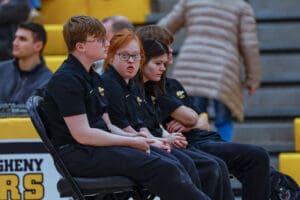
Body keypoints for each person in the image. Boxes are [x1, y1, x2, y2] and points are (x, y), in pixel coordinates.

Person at [41, 15, 209, 200]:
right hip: (78, 154)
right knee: (162, 167)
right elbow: (83, 134)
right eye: (100, 40)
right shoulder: (67, 80)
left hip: (95, 148)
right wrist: (130, 142)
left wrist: (138, 138)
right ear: (81, 47)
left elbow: (109, 126)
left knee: (174, 161)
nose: (107, 44)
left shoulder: (92, 76)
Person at [135, 24, 271, 200]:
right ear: (150, 51)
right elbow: (190, 117)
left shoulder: (172, 83)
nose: (170, 51)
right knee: (235, 161)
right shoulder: (147, 87)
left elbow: (201, 121)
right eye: (166, 46)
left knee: (258, 157)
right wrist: (188, 121)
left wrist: (188, 124)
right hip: (186, 144)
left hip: (201, 137)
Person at [101, 29, 232, 200]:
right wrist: (160, 140)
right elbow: (121, 127)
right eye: (124, 56)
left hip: (150, 141)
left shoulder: (131, 84)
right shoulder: (111, 83)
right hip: (128, 146)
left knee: (215, 164)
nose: (131, 61)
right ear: (111, 56)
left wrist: (163, 138)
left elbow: (140, 125)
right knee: (193, 165)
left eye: (135, 55)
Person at [158, 0, 261, 141]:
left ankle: (198, 153)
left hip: (191, 64)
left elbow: (163, 28)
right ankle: (225, 151)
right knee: (223, 119)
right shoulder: (241, 7)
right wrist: (253, 78)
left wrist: (139, 43)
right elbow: (249, 45)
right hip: (224, 70)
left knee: (192, 116)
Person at [0, 22, 52, 104]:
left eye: (22, 39)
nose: (15, 43)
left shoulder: (47, 81)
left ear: (38, 46)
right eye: (15, 38)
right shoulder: (1, 69)